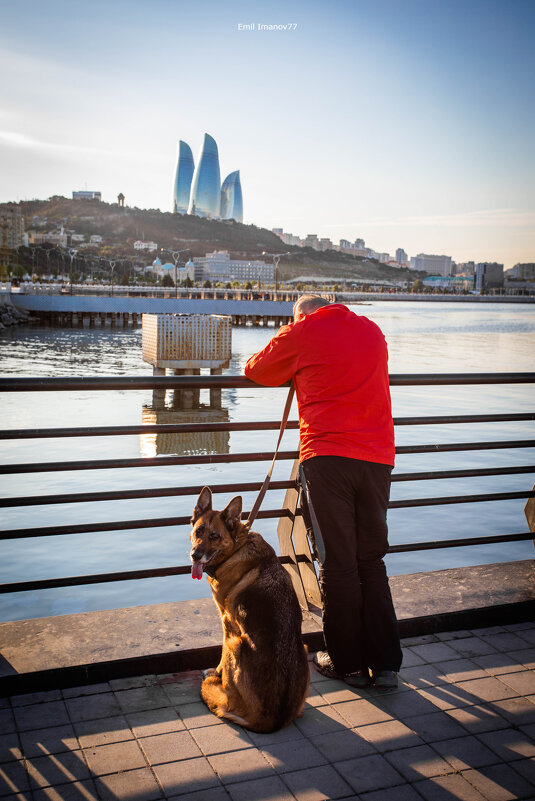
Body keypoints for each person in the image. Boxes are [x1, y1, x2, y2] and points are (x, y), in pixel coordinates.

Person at [244, 295, 402, 689]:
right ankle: (385, 666)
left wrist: (290, 334)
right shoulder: (372, 331)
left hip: (329, 458)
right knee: (372, 560)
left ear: (300, 315)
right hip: (378, 458)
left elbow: (254, 369)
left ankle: (345, 661)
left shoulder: (303, 330)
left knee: (337, 563)